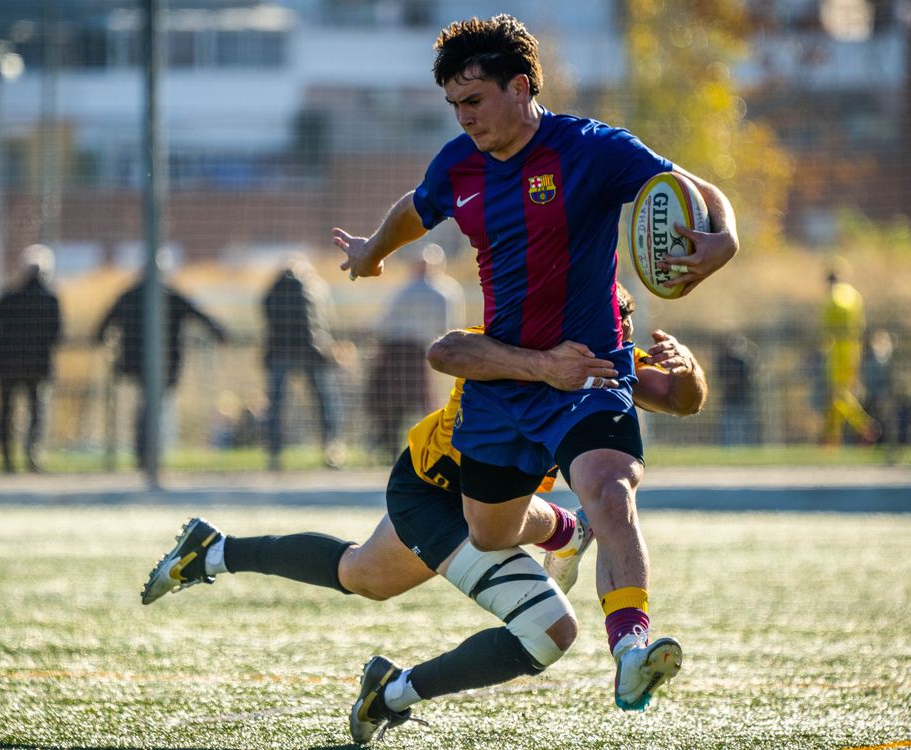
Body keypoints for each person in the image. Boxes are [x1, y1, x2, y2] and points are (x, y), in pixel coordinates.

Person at [331, 14, 738, 713]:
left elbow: (697, 190)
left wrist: (724, 239)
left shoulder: (594, 149)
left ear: (521, 87)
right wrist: (374, 248)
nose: (463, 119)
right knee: (488, 530)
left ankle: (632, 648)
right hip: (505, 381)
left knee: (610, 490)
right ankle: (564, 534)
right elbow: (418, 207)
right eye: (454, 106)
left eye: (474, 101)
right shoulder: (458, 166)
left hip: (589, 371)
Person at [141, 284, 708, 742]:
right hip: (435, 494)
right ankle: (393, 692)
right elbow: (447, 350)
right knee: (549, 631)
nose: (613, 351)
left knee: (360, 574)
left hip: (468, 501)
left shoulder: (604, 358)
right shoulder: (524, 347)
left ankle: (213, 550)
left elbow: (682, 398)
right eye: (603, 335)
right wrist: (539, 365)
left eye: (617, 337)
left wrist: (686, 369)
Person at [95, 251, 228, 465]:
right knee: (152, 408)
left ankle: (145, 453)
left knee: (147, 407)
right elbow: (199, 314)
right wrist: (221, 333)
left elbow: (105, 321)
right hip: (163, 363)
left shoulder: (131, 294)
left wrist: (100, 338)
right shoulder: (169, 294)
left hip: (136, 362)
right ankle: (149, 455)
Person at [366, 243, 465, 455]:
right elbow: (450, 325)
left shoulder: (407, 290)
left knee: (393, 402)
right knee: (424, 402)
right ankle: (432, 448)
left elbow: (384, 322)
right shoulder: (447, 291)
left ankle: (394, 448)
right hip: (425, 351)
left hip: (399, 350)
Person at [0, 244, 62, 473]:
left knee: (6, 410)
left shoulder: (9, 296)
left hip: (7, 365)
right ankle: (32, 456)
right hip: (37, 365)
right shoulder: (50, 300)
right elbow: (57, 334)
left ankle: (7, 459)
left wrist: (4, 342)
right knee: (36, 411)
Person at [263, 255, 345, 471]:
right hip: (311, 351)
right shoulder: (314, 287)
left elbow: (265, 316)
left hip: (279, 352)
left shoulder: (272, 290)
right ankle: (332, 448)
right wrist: (325, 349)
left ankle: (274, 453)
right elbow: (321, 323)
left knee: (276, 404)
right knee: (326, 401)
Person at [819, 261, 878, 445]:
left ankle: (865, 425)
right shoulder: (854, 295)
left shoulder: (833, 298)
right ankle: (831, 438)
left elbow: (827, 328)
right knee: (840, 395)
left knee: (839, 395)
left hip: (837, 350)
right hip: (854, 348)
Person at [717, 333, 758, 446]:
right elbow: (721, 379)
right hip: (730, 399)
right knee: (729, 425)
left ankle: (748, 446)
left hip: (743, 397)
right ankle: (730, 447)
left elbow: (747, 379)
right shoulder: (723, 360)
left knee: (745, 425)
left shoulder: (742, 361)